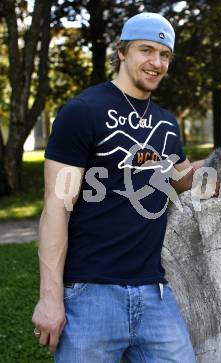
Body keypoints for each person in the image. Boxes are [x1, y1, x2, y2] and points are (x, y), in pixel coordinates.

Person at [31, 12, 202, 362]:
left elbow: (181, 178)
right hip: (90, 294)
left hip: (154, 294)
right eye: (146, 50)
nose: (156, 63)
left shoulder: (166, 123)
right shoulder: (82, 112)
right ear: (122, 51)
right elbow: (56, 208)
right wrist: (50, 296)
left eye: (164, 54)